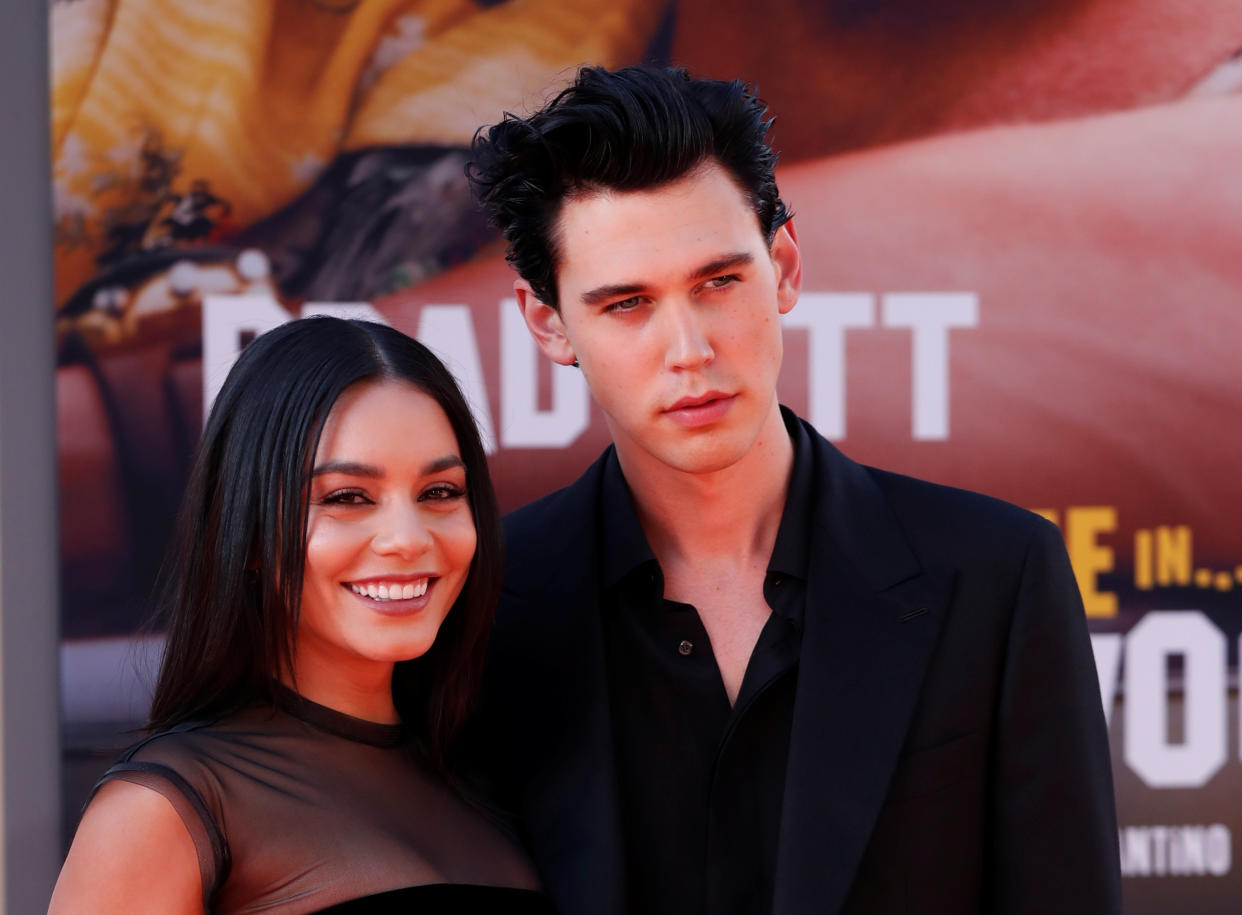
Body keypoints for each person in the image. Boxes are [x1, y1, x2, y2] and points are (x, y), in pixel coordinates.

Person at [467, 65, 1122, 914]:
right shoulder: (486, 607)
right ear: (549, 322)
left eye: (719, 281)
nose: (690, 348)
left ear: (782, 266)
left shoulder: (997, 576)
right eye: (628, 303)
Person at [50, 318, 553, 914]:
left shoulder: (488, 777)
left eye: (440, 491)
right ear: (254, 532)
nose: (407, 539)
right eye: (347, 497)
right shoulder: (167, 809)